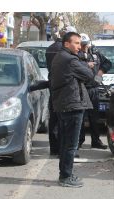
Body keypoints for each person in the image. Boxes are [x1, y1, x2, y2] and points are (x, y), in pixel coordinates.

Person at [50, 32, 97, 187]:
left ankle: (65, 173)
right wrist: (84, 64)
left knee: (65, 143)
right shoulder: (70, 60)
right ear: (66, 44)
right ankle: (66, 176)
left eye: (79, 43)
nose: (79, 46)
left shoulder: (59, 57)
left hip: (63, 104)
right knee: (71, 144)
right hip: (72, 105)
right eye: (76, 43)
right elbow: (89, 75)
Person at [46, 26, 77, 156]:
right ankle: (62, 149)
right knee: (64, 123)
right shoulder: (67, 52)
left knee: (53, 119)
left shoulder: (50, 48)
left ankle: (54, 148)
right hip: (66, 89)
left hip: (53, 86)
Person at [77, 33, 112, 150]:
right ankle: (79, 141)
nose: (83, 47)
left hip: (94, 89)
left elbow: (108, 63)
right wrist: (86, 65)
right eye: (81, 45)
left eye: (85, 44)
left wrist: (100, 72)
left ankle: (96, 141)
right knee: (81, 117)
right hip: (81, 89)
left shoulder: (95, 53)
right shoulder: (75, 54)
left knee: (94, 117)